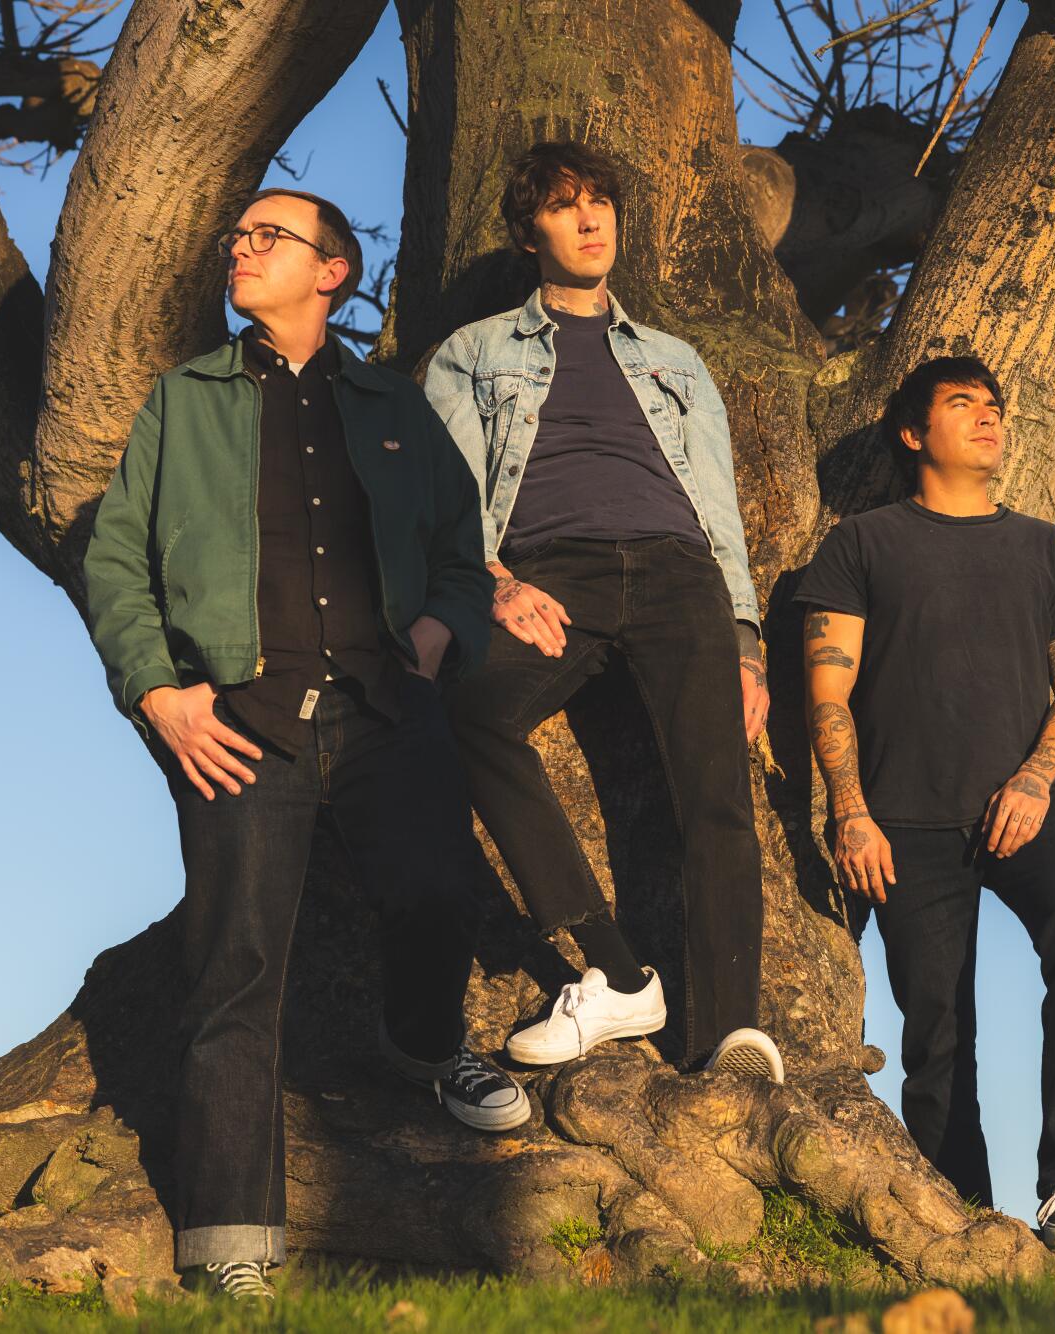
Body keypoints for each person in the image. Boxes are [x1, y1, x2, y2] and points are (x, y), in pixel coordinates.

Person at [83, 188, 527, 1303]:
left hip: (386, 704)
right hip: (239, 720)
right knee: (233, 971)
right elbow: (115, 557)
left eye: (266, 235)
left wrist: (440, 631)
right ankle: (228, 1239)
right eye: (235, 235)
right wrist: (160, 694)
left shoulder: (391, 401)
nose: (239, 248)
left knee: (440, 895)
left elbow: (461, 547)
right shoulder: (184, 398)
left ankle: (424, 1048)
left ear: (331, 271)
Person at [424, 141, 781, 1083]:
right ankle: (617, 974)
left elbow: (719, 506)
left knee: (716, 795)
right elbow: (448, 495)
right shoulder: (472, 353)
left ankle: (730, 1039)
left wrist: (745, 639)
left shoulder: (675, 361)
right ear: (528, 232)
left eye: (601, 203)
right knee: (470, 711)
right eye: (563, 205)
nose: (589, 220)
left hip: (679, 573)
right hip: (555, 574)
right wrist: (494, 582)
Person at [796, 356, 1055, 1258]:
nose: (990, 418)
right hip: (901, 820)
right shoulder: (863, 545)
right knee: (937, 1033)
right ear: (913, 432)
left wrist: (1034, 780)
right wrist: (851, 811)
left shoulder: (1047, 551)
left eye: (995, 407)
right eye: (963, 403)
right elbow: (829, 692)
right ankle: (966, 1220)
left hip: (1029, 800)